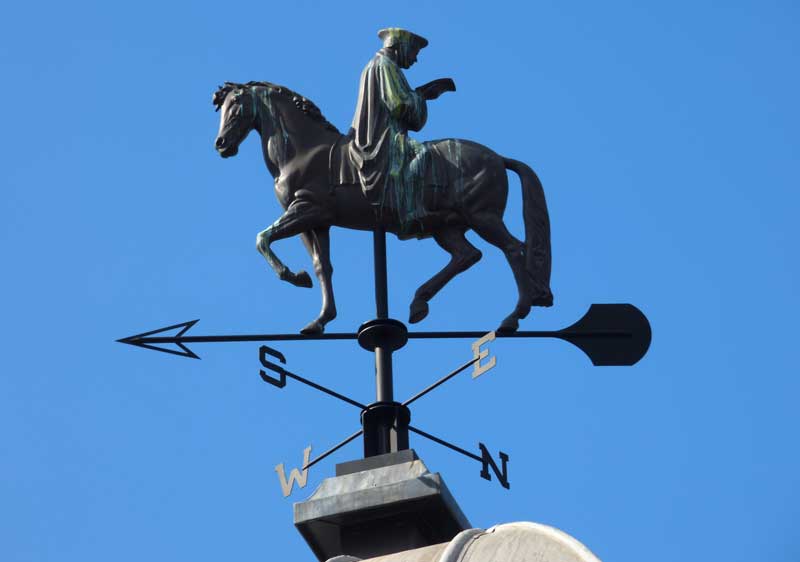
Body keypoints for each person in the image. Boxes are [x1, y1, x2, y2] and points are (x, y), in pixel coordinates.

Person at [348, 28, 455, 224]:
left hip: (381, 135)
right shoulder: (384, 65)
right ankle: (412, 210)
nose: (415, 59)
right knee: (422, 154)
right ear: (400, 47)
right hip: (383, 140)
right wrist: (422, 96)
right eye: (414, 52)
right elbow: (397, 105)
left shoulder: (380, 65)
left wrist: (418, 95)